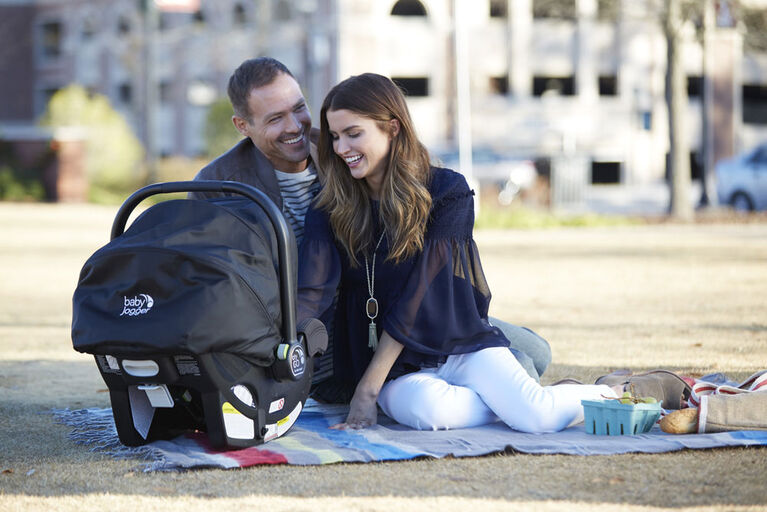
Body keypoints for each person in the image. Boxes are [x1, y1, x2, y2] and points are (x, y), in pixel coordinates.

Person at [297, 73, 689, 431]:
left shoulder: (447, 192)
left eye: (353, 133)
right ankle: (524, 397)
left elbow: (419, 297)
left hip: (457, 344)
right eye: (333, 137)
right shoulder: (330, 208)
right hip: (395, 372)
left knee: (539, 418)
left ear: (392, 128)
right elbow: (312, 294)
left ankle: (620, 389)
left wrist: (366, 393)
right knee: (428, 413)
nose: (341, 147)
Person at [192, 57, 550, 391]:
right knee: (517, 364)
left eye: (298, 108)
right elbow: (227, 295)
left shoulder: (337, 148)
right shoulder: (218, 187)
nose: (294, 127)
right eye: (274, 119)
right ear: (243, 126)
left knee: (537, 351)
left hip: (385, 299)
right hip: (320, 331)